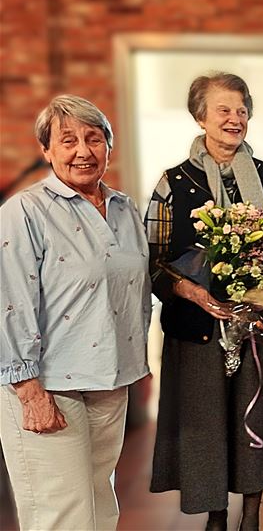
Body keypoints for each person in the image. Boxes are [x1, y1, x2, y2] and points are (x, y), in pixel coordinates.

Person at [145, 72, 263, 530]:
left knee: (257, 418)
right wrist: (192, 292)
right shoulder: (173, 182)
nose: (235, 119)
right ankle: (215, 516)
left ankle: (251, 515)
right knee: (207, 425)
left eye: (241, 110)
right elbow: (153, 262)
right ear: (200, 117)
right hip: (197, 327)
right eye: (223, 110)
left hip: (257, 326)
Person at [0, 95, 151, 530]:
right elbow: (9, 301)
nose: (83, 151)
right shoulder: (25, 211)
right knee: (61, 512)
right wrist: (29, 390)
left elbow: (135, 287)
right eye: (68, 141)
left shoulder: (124, 208)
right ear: (46, 150)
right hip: (46, 382)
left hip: (109, 379)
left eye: (94, 139)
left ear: (109, 146)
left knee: (100, 501)